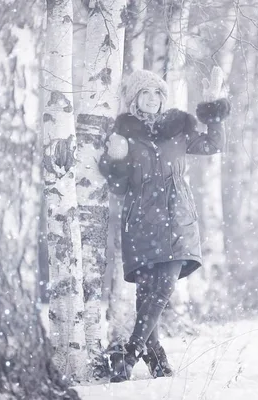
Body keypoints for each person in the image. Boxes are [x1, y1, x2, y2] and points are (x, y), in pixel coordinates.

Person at [99, 69, 231, 382]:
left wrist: (213, 108)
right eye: (145, 93)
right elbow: (118, 185)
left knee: (163, 288)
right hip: (141, 219)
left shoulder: (179, 126)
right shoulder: (124, 132)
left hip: (177, 216)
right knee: (147, 294)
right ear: (134, 99)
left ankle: (128, 353)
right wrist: (115, 158)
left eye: (157, 92)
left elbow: (213, 145)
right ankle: (156, 359)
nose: (152, 99)